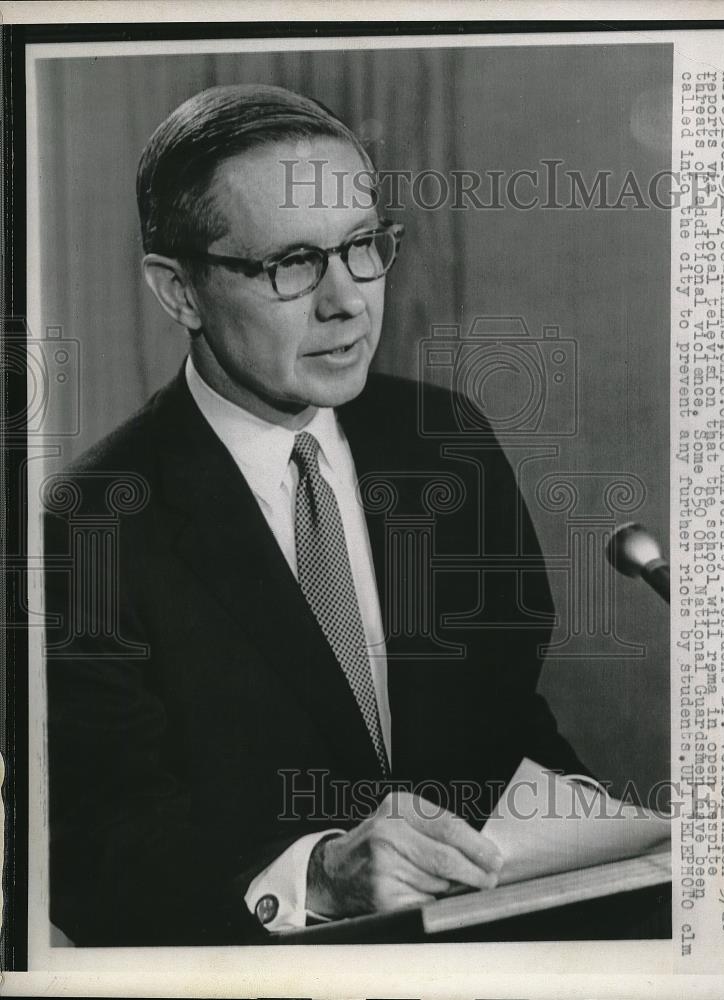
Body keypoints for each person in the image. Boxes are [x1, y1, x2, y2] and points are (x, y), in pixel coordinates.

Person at [44, 84, 589, 947]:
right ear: (179, 291)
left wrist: (610, 840)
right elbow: (98, 857)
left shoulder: (444, 441)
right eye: (291, 264)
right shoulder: (88, 525)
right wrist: (316, 880)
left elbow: (507, 727)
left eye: (362, 247)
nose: (348, 301)